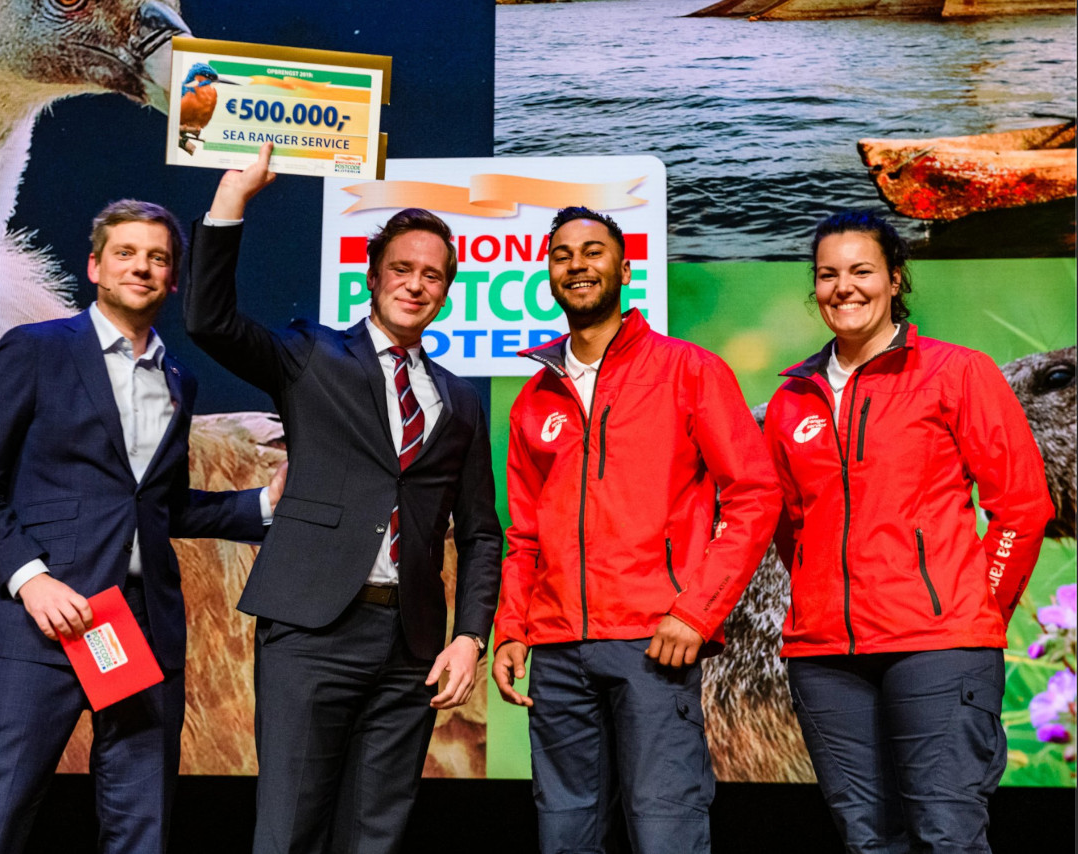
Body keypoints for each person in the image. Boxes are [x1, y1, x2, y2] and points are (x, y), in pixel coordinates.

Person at [185, 143, 502, 854]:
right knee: (290, 830)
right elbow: (210, 321)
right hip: (311, 632)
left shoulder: (460, 400)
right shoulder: (310, 356)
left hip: (411, 646)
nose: (416, 286)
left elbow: (482, 533)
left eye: (432, 276)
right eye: (402, 270)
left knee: (374, 836)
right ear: (372, 275)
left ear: (447, 291)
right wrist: (233, 200)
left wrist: (468, 636)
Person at [0, 200, 278, 854]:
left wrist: (264, 506)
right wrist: (32, 580)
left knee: (140, 825)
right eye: (126, 253)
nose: (142, 268)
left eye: (158, 258)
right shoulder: (35, 350)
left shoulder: (178, 381)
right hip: (43, 624)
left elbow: (164, 507)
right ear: (95, 265)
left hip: (141, 630)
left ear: (173, 278)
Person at [492, 206, 782, 853]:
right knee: (565, 833)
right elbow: (525, 534)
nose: (577, 265)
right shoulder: (534, 397)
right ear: (548, 272)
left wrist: (696, 612)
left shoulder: (690, 371)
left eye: (593, 251)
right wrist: (513, 627)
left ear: (624, 268)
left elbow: (755, 495)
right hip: (560, 650)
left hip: (656, 644)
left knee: (665, 831)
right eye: (562, 254)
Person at [764, 210, 1054, 852]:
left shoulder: (957, 373)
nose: (845, 287)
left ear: (895, 280)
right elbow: (789, 526)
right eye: (828, 275)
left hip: (938, 646)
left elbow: (1023, 506)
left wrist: (982, 609)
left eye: (862, 271)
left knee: (946, 835)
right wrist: (817, 595)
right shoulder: (792, 399)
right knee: (867, 839)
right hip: (825, 659)